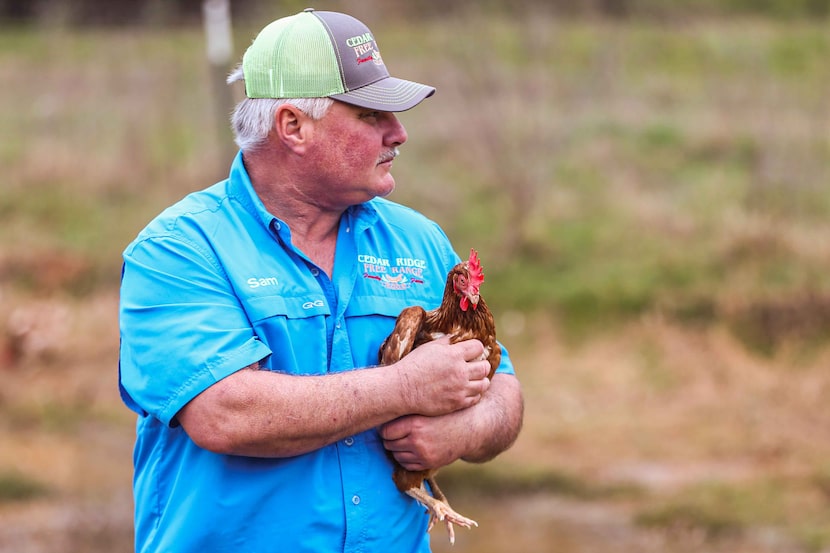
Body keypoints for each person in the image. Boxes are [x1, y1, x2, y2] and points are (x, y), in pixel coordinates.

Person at [119, 8, 523, 553]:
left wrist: (465, 430)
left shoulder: (419, 241)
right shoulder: (180, 250)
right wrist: (406, 387)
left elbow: (503, 386)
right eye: (369, 115)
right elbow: (224, 413)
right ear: (293, 127)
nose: (398, 133)